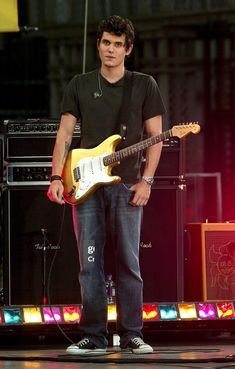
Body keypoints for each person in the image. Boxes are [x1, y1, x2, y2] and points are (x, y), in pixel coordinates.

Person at [47, 15, 166, 355]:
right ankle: (94, 335)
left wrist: (147, 180)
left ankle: (132, 334)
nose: (111, 50)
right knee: (90, 262)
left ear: (128, 49)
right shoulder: (80, 84)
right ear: (98, 45)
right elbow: (65, 135)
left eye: (118, 45)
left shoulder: (143, 84)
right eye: (106, 43)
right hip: (85, 185)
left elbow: (155, 138)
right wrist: (57, 176)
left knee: (129, 261)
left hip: (127, 184)